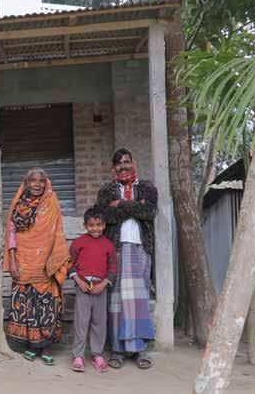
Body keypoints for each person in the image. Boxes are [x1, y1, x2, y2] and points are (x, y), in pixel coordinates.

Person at [96, 148, 158, 370]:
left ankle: (140, 348)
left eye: (127, 162)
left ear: (134, 163)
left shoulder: (147, 187)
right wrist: (135, 207)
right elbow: (105, 216)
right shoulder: (107, 189)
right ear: (113, 168)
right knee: (117, 301)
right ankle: (118, 350)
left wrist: (120, 205)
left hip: (141, 250)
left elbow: (149, 212)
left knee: (139, 300)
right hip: (116, 249)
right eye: (119, 164)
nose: (123, 167)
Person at [3, 167, 72, 366]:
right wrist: (13, 259)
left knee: (47, 305)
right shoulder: (18, 205)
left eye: (41, 181)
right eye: (33, 181)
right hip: (24, 261)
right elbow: (12, 234)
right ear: (26, 183)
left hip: (45, 264)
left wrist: (52, 259)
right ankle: (31, 347)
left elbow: (56, 231)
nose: (37, 184)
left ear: (46, 182)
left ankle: (46, 347)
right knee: (27, 307)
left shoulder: (51, 202)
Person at [68, 206, 117, 373]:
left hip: (100, 288)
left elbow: (113, 268)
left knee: (99, 323)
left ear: (104, 225)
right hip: (82, 287)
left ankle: (97, 355)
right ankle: (78, 356)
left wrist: (103, 284)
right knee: (81, 323)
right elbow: (70, 264)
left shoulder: (108, 245)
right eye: (91, 225)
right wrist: (78, 281)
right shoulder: (78, 243)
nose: (95, 228)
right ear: (85, 226)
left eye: (98, 225)